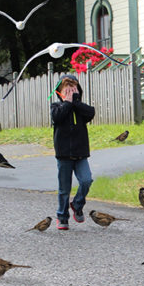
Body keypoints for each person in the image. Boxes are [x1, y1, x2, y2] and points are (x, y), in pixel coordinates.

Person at [51, 74, 95, 231]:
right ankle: (62, 216)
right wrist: (67, 103)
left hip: (80, 153)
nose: (71, 93)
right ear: (60, 93)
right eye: (67, 91)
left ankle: (77, 204)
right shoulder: (56, 107)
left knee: (86, 180)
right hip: (64, 155)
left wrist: (75, 101)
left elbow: (91, 113)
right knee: (64, 188)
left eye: (73, 90)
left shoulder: (81, 108)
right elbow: (57, 117)